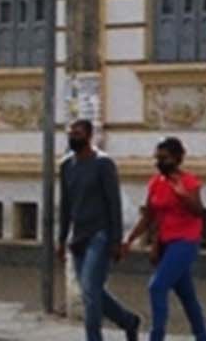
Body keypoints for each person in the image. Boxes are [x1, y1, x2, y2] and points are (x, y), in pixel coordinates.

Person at [59, 119, 143, 341]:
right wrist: (61, 239)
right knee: (91, 291)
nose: (73, 137)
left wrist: (116, 240)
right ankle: (128, 320)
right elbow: (66, 205)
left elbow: (113, 203)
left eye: (78, 133)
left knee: (89, 289)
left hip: (100, 234)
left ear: (89, 136)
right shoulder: (66, 166)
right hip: (78, 236)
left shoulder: (103, 164)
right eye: (71, 133)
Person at [122, 136, 206, 341]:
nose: (160, 163)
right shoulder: (155, 183)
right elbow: (149, 216)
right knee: (187, 296)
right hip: (165, 242)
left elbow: (198, 211)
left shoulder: (189, 182)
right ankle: (202, 336)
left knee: (157, 286)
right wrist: (131, 239)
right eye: (158, 158)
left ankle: (157, 336)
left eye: (165, 158)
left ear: (178, 159)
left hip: (186, 241)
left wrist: (183, 196)